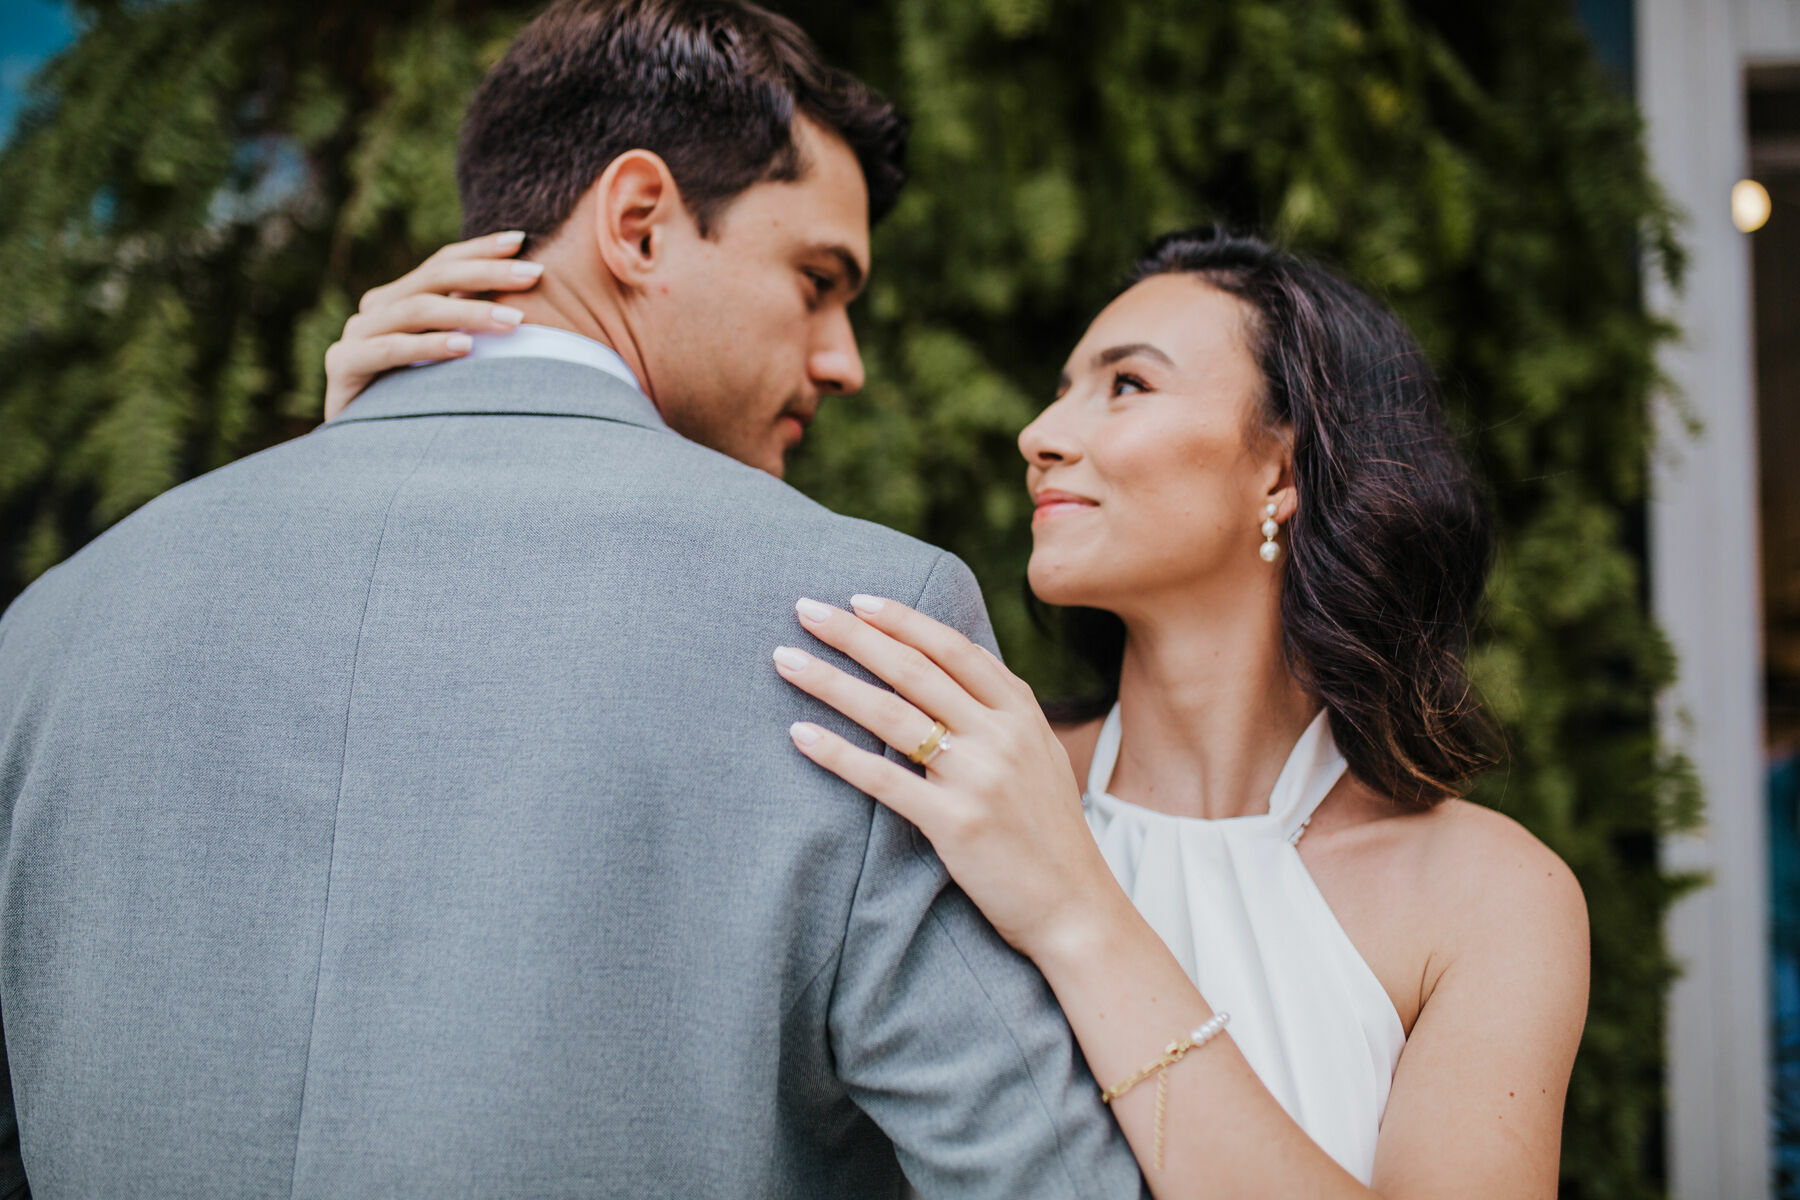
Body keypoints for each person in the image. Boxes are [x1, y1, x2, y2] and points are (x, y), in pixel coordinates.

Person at [0, 1, 1146, 1196]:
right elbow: (1040, 1176)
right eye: (817, 281)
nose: (842, 358)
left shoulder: (57, 624)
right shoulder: (866, 620)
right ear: (640, 223)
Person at [328, 224, 1591, 1197]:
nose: (1043, 432)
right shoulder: (945, 773)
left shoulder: (1488, 896)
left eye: (1126, 387)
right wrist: (400, 443)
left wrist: (1079, 912)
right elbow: (564, 789)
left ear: (1285, 465)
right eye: (1061, 389)